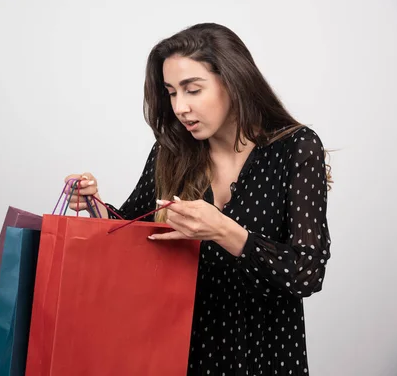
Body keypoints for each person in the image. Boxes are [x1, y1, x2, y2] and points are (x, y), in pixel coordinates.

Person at [64, 22, 332, 375]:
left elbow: (306, 272)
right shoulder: (171, 151)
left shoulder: (295, 148)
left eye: (192, 90)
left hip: (263, 352)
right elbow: (133, 236)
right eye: (172, 92)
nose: (180, 107)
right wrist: (95, 205)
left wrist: (223, 229)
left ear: (233, 81)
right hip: (177, 349)